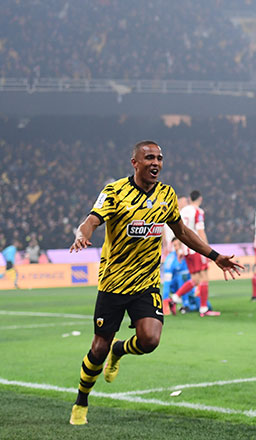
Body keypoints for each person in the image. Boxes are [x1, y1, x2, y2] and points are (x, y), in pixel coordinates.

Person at [68, 141, 242, 425]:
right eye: (149, 157)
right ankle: (81, 401)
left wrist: (215, 256)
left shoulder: (166, 194)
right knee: (98, 349)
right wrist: (81, 234)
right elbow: (91, 221)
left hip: (146, 283)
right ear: (135, 163)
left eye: (159, 158)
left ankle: (119, 350)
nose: (156, 163)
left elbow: (181, 232)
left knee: (150, 340)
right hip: (113, 283)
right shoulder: (115, 192)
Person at [177, 190, 217, 316]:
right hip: (196, 248)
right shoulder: (198, 211)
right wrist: (208, 250)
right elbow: (200, 231)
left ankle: (174, 298)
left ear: (189, 199)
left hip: (186, 249)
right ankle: (204, 309)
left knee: (195, 279)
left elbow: (179, 230)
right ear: (200, 199)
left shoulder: (183, 211)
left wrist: (180, 248)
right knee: (204, 277)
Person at [160, 238, 189, 315]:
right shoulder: (170, 259)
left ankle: (185, 305)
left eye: (179, 245)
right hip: (176, 287)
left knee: (204, 304)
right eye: (175, 245)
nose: (177, 247)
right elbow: (167, 281)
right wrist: (165, 300)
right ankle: (169, 303)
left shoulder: (187, 256)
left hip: (190, 286)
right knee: (180, 277)